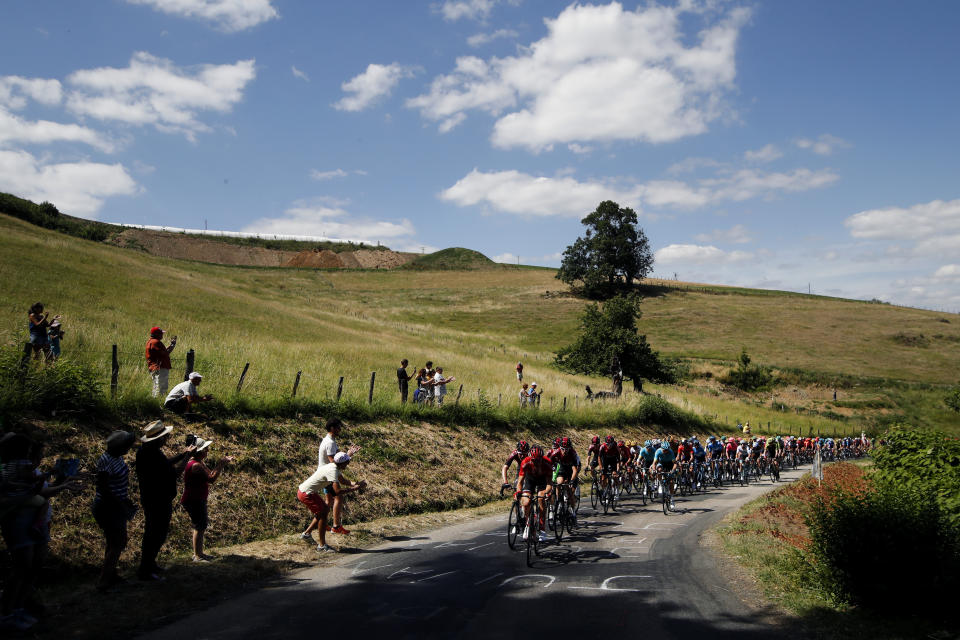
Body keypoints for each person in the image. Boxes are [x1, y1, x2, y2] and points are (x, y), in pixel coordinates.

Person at [135, 420, 194, 581]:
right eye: (165, 436)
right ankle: (145, 569)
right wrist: (187, 457)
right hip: (158, 500)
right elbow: (174, 473)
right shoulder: (153, 454)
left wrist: (182, 453)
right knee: (156, 534)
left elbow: (166, 464)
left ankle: (149, 564)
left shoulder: (145, 451)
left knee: (153, 533)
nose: (167, 438)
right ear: (158, 439)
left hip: (151, 498)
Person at [92, 430, 137, 592]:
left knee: (113, 542)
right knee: (118, 542)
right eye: (127, 446)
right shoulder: (106, 461)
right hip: (108, 506)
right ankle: (103, 581)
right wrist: (120, 503)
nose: (128, 449)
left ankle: (111, 574)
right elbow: (103, 488)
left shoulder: (116, 458)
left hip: (116, 504)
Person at [298, 452, 367, 552]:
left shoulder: (333, 466)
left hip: (306, 491)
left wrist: (357, 484)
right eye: (347, 463)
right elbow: (337, 491)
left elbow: (343, 481)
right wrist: (354, 489)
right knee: (323, 515)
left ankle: (307, 534)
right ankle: (322, 546)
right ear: (341, 463)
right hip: (306, 494)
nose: (347, 465)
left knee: (324, 510)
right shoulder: (333, 470)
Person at [180, 437, 232, 562]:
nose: (207, 451)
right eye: (205, 449)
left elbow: (210, 474)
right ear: (200, 451)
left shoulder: (198, 463)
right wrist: (221, 464)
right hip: (194, 499)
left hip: (196, 498)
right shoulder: (196, 465)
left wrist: (219, 465)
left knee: (200, 525)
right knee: (200, 525)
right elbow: (211, 479)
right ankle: (197, 555)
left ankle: (199, 553)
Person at [317, 418, 361, 535]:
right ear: (332, 428)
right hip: (328, 474)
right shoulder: (330, 443)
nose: (340, 430)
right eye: (338, 427)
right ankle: (335, 526)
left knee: (329, 500)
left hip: (325, 473)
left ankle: (323, 522)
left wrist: (348, 455)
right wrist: (348, 456)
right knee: (338, 498)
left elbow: (338, 459)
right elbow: (335, 463)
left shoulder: (329, 440)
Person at [515, 445, 553, 543]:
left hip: (542, 480)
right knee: (526, 502)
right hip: (530, 479)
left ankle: (542, 529)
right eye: (533, 460)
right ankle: (528, 523)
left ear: (541, 458)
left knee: (541, 499)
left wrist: (546, 493)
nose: (535, 462)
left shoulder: (548, 463)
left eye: (538, 460)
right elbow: (520, 482)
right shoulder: (525, 462)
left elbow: (549, 484)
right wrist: (519, 492)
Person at [146, 327, 177, 398]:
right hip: (160, 368)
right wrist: (172, 346)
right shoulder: (155, 342)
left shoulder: (152, 341)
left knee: (156, 387)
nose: (162, 335)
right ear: (157, 334)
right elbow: (165, 354)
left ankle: (155, 402)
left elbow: (163, 352)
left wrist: (172, 345)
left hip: (156, 368)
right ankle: (158, 404)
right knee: (161, 389)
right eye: (161, 333)